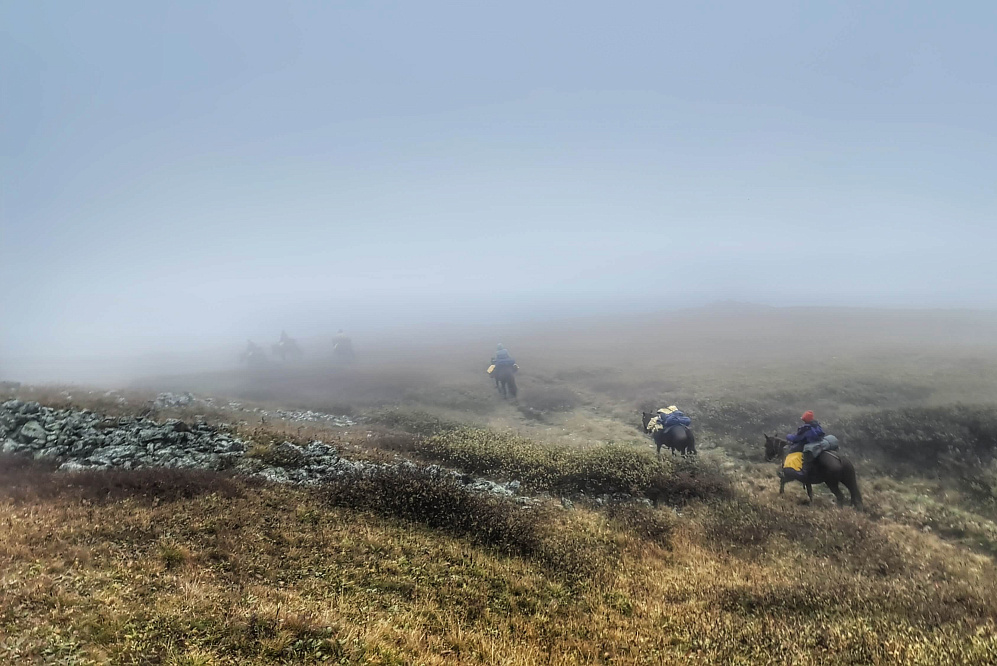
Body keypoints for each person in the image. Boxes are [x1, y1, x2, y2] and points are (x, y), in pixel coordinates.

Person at [785, 410, 825, 480]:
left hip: (807, 444)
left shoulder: (806, 428)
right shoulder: (817, 425)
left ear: (805, 419)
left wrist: (788, 436)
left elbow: (796, 438)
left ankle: (794, 470)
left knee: (791, 452)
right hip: (817, 443)